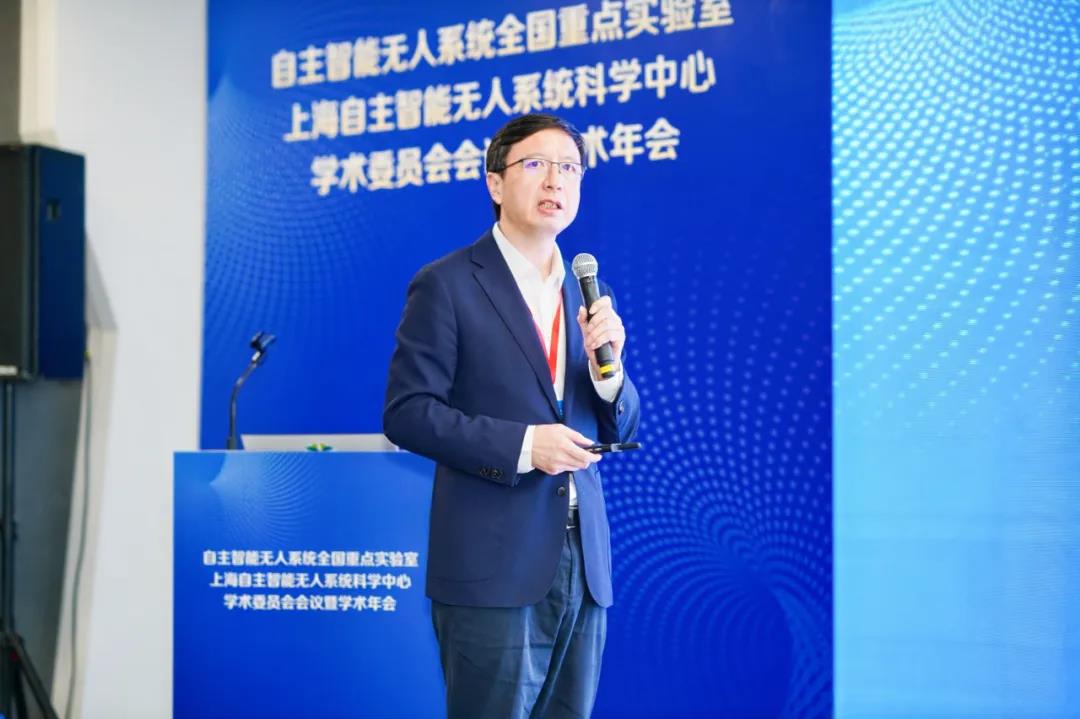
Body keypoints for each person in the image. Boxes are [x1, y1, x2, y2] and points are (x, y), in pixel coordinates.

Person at [383, 113, 641, 719]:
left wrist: (611, 373)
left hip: (582, 563)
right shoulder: (448, 284)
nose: (556, 180)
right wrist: (527, 446)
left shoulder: (587, 293)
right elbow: (408, 413)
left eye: (570, 168)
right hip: (492, 563)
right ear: (495, 183)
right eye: (537, 164)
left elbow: (622, 427)